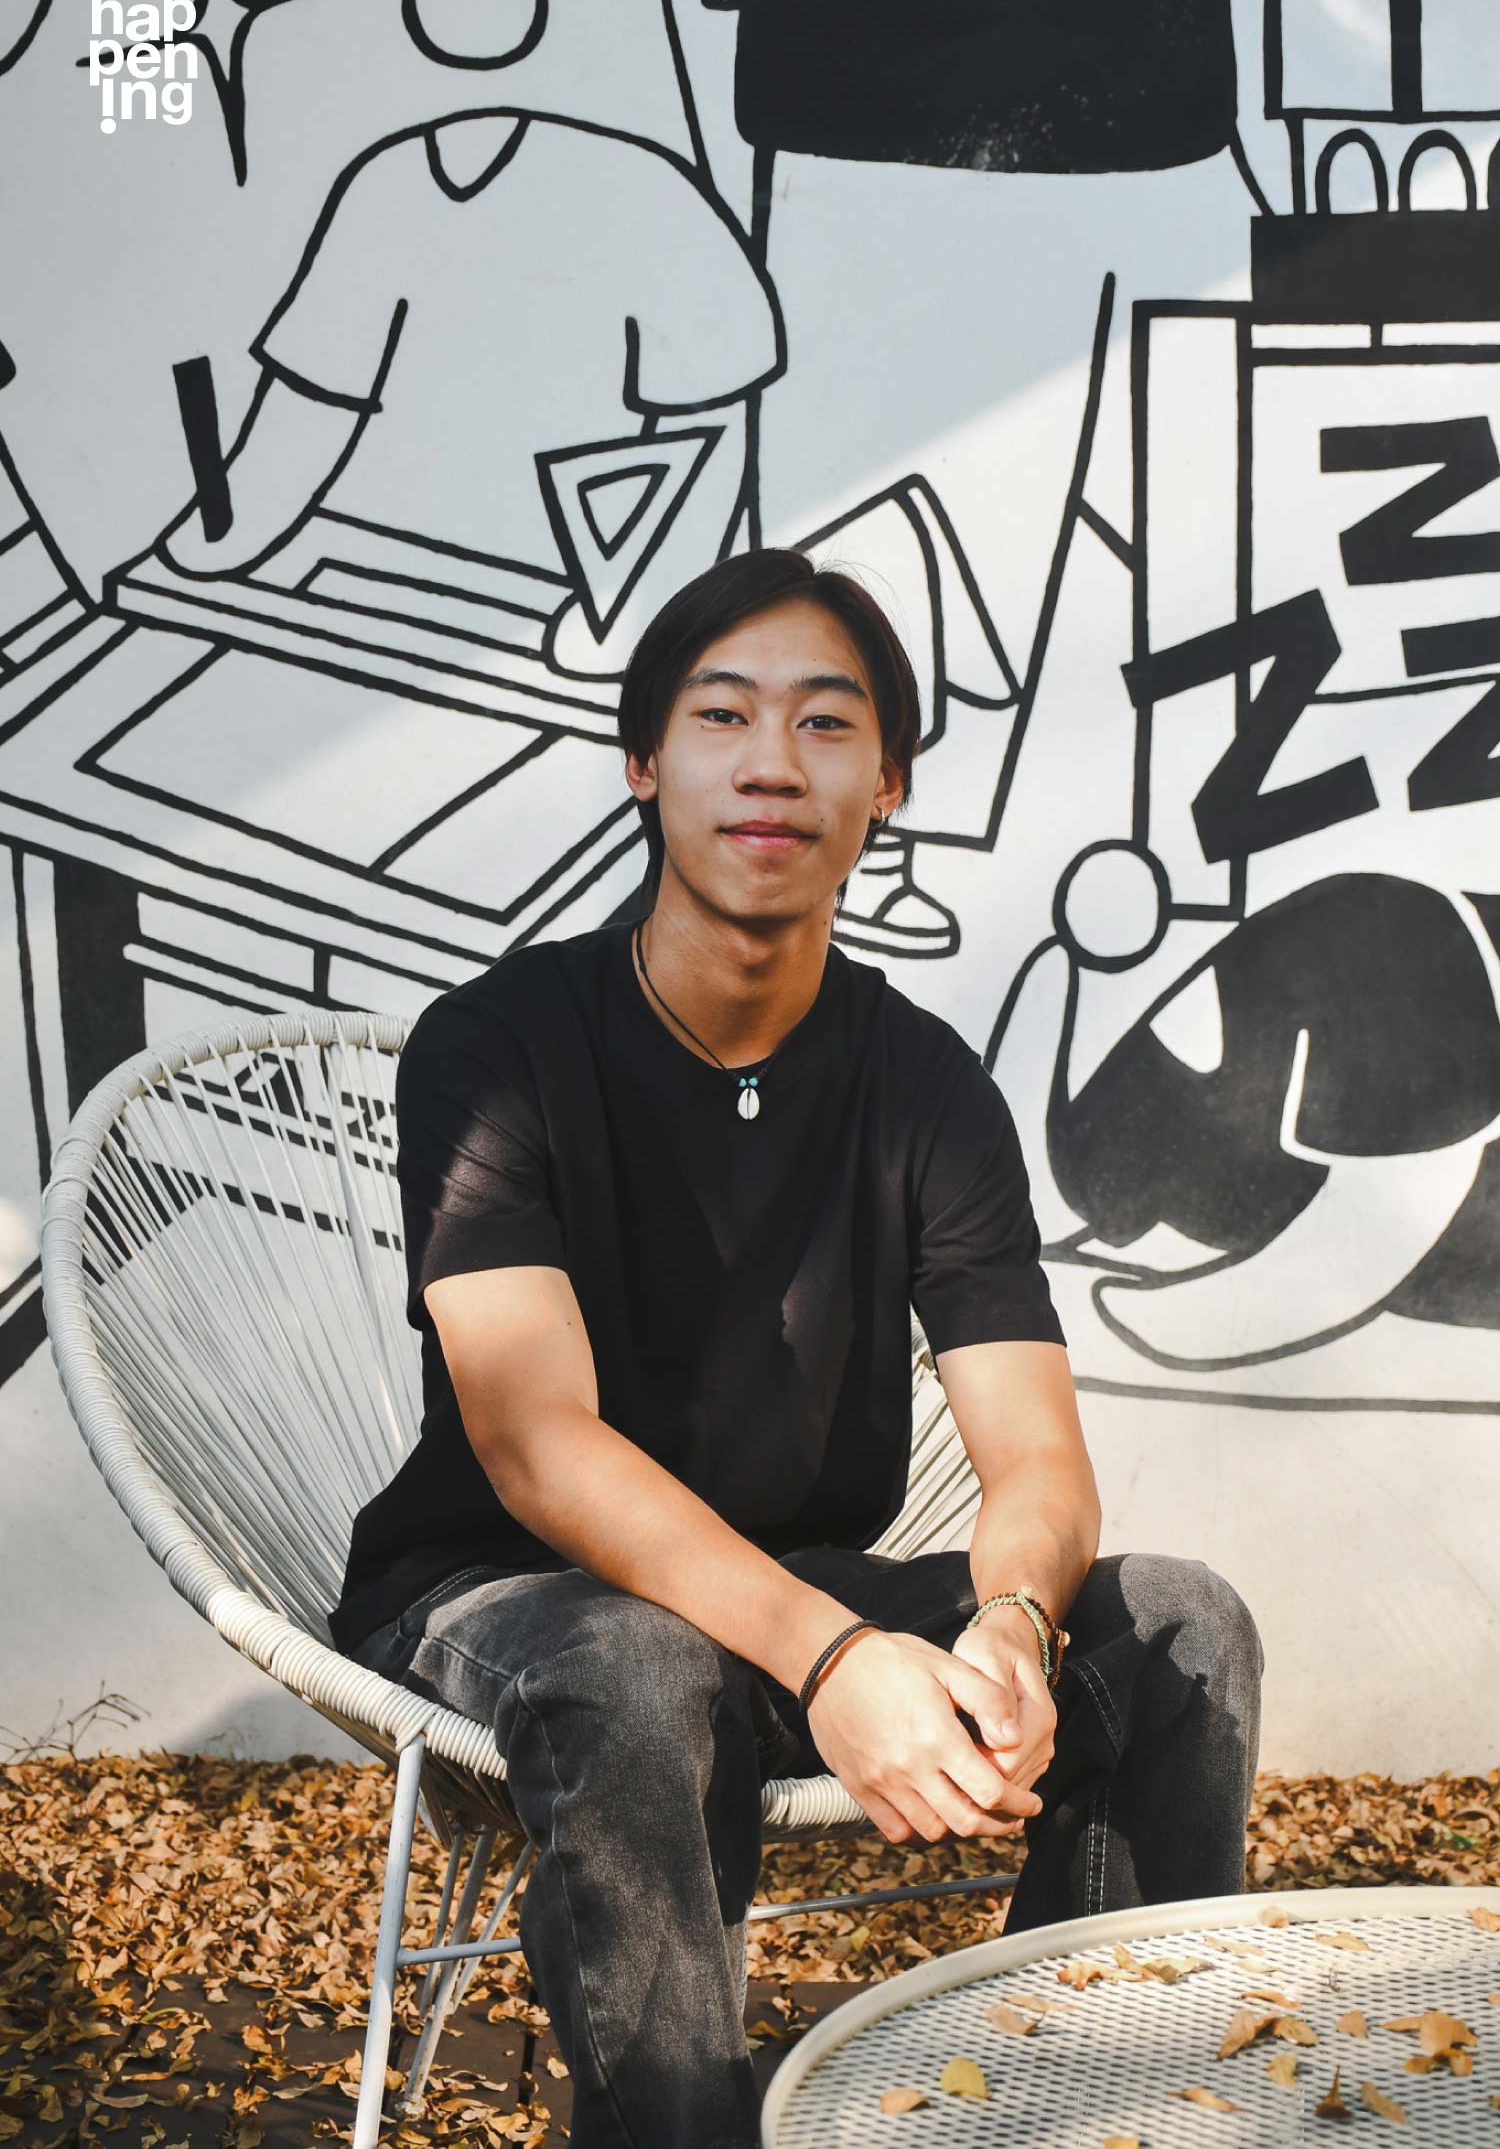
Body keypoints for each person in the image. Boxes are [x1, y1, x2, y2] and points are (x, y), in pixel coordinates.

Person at [336, 549, 1264, 2149]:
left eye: (828, 723)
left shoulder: (925, 1085)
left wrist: (1015, 1621)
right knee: (644, 1663)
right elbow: (536, 1442)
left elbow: (1036, 1455)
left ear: (887, 782)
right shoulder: (497, 1048)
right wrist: (832, 1657)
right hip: (507, 1594)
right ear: (644, 760)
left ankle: (1080, 2107)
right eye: (723, 716)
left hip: (787, 1592)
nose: (773, 762)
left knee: (1182, 1624)